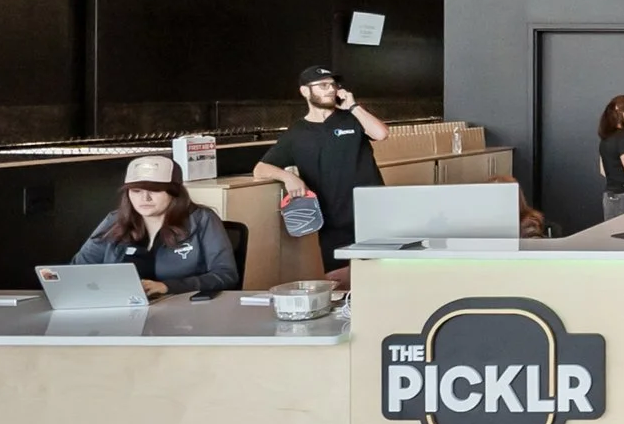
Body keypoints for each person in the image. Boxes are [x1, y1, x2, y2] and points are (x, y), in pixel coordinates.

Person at [255, 65, 388, 267]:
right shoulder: (297, 133)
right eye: (323, 85)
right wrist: (289, 177)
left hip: (372, 215)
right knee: (339, 283)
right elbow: (261, 169)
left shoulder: (352, 118)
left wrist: (353, 106)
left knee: (377, 277)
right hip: (332, 222)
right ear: (305, 91)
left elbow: (381, 134)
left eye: (333, 85)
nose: (330, 89)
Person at [70, 155, 241, 297]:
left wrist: (167, 287)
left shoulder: (203, 219)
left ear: (174, 192)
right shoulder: (115, 221)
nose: (145, 199)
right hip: (120, 311)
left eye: (155, 190)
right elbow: (78, 270)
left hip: (185, 314)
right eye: (136, 191)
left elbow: (225, 275)